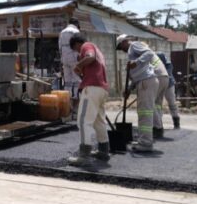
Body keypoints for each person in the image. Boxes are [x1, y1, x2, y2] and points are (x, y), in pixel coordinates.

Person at [67, 34, 110, 166]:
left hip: (91, 88)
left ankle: (84, 156)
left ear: (77, 44)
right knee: (98, 121)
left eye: (76, 49)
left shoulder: (87, 46)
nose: (78, 52)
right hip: (102, 89)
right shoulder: (99, 51)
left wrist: (78, 66)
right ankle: (103, 151)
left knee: (83, 121)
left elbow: (89, 57)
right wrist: (81, 71)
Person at [116, 34, 159, 153]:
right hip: (143, 82)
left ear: (124, 42)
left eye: (121, 47)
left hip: (146, 82)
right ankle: (143, 140)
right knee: (143, 113)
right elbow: (136, 76)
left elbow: (149, 53)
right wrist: (129, 89)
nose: (122, 50)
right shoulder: (131, 53)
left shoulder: (134, 45)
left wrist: (136, 62)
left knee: (145, 113)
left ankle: (146, 143)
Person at [58, 18, 81, 115]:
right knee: (76, 80)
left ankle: (68, 105)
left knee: (67, 81)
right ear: (76, 24)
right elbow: (79, 45)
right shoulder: (76, 31)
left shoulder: (62, 32)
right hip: (74, 57)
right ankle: (75, 107)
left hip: (64, 58)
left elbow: (59, 47)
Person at [157, 52, 180, 129]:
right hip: (157, 85)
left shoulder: (167, 64)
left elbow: (168, 72)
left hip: (169, 84)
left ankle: (176, 121)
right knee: (157, 104)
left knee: (172, 103)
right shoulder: (151, 62)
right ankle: (158, 123)